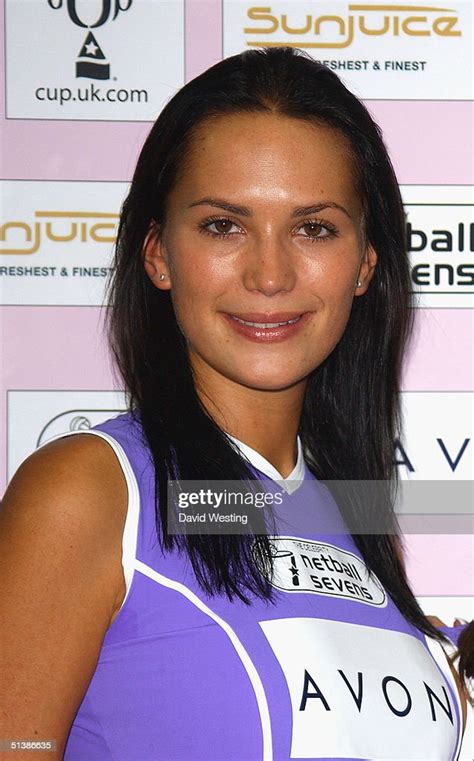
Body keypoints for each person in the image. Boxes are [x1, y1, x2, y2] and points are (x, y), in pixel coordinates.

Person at [0, 46, 472, 760]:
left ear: (366, 264)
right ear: (156, 253)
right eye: (223, 225)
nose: (270, 273)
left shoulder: (352, 514)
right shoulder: (89, 493)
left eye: (314, 227)